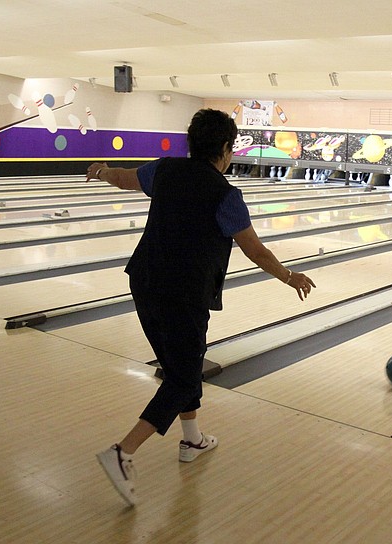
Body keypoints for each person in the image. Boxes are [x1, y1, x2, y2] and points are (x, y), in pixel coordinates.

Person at [88, 108, 316, 506]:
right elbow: (255, 250)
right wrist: (289, 276)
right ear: (227, 149)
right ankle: (121, 453)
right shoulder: (226, 195)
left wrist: (104, 170)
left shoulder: (164, 170)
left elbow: (124, 179)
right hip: (184, 294)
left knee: (182, 366)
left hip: (143, 281)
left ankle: (192, 441)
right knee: (183, 377)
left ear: (191, 143)